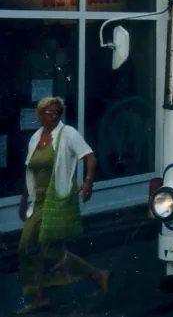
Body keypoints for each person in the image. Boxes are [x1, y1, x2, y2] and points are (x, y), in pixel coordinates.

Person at [16, 97, 110, 315]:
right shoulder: (35, 138)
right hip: (37, 200)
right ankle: (41, 296)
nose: (54, 116)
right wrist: (23, 200)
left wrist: (88, 182)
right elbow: (29, 171)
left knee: (39, 247)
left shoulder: (68, 133)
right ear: (40, 115)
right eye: (49, 112)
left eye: (58, 112)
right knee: (34, 247)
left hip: (55, 199)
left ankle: (96, 274)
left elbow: (90, 157)